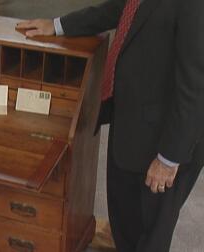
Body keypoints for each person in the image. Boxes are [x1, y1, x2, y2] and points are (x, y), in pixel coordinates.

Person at [17, 0, 204, 251]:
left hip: (164, 140)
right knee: (124, 220)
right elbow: (120, 8)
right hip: (131, 122)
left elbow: (195, 87)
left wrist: (169, 158)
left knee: (151, 234)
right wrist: (58, 25)